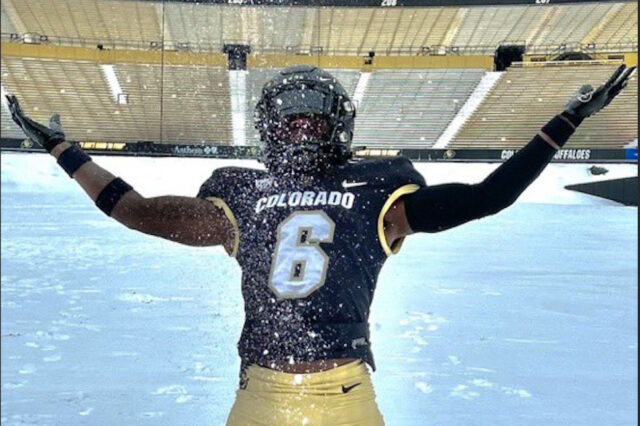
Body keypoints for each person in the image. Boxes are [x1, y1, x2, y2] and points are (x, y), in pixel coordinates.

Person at [6, 63, 635, 425]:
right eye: (290, 120)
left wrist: (569, 116)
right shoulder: (239, 201)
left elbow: (486, 196)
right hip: (260, 393)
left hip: (345, 395)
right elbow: (138, 212)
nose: (301, 129)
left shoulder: (377, 197)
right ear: (270, 131)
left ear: (338, 126)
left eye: (313, 118)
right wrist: (61, 148)